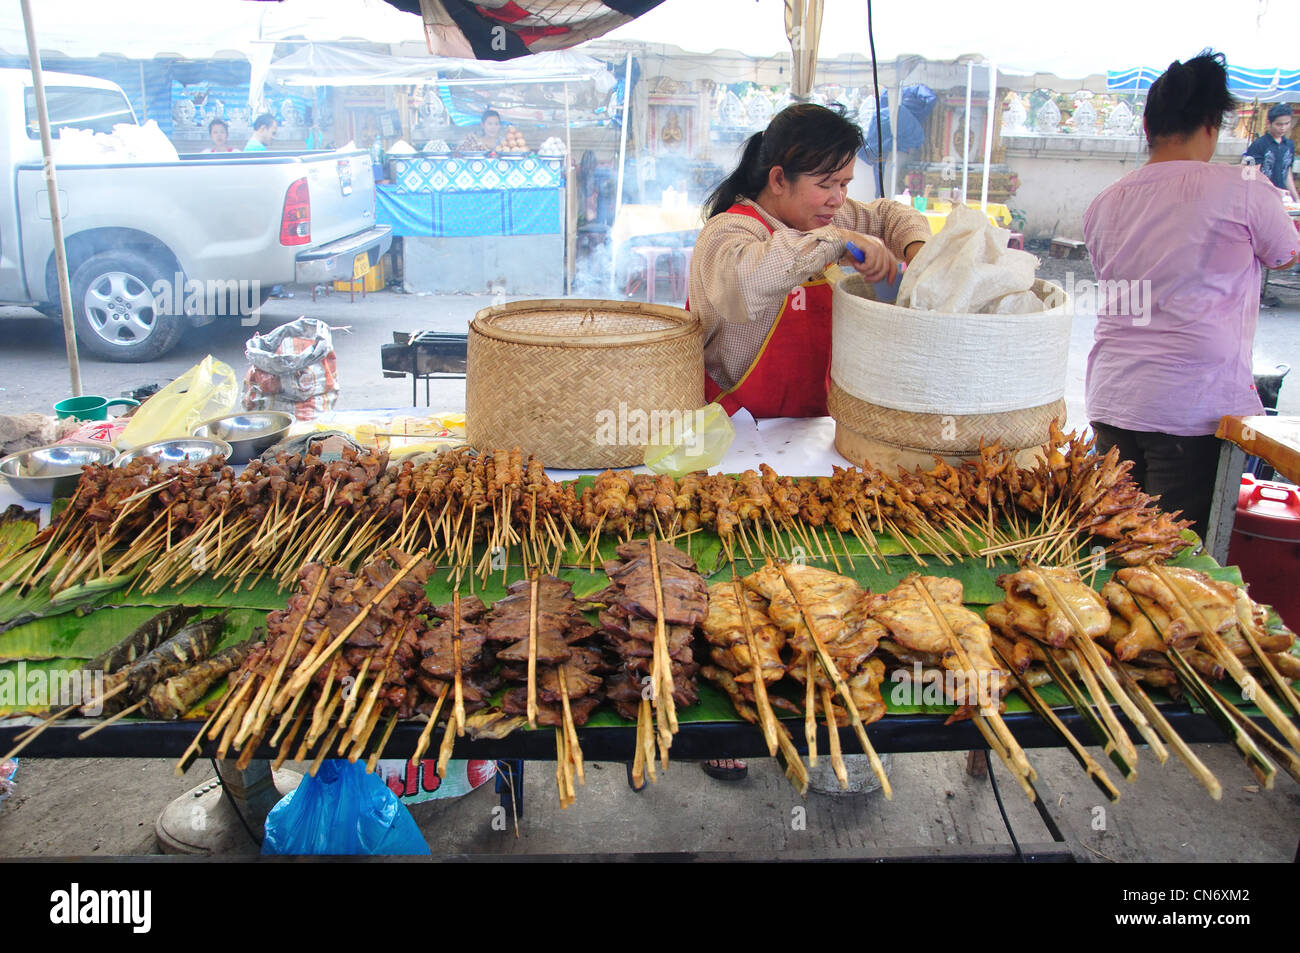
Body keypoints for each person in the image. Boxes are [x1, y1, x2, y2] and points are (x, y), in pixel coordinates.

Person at [1082, 51, 1300, 538]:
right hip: (1190, 409)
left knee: (1114, 545)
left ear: (1147, 125)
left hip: (1114, 397)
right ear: (1211, 123)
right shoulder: (1243, 185)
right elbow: (1286, 254)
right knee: (1173, 562)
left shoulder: (1107, 200)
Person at [687, 103, 931, 421]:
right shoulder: (728, 231)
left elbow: (887, 215)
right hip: (732, 428)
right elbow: (746, 284)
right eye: (825, 184)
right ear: (778, 180)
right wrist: (839, 240)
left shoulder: (820, 217)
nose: (838, 198)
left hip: (811, 425)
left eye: (844, 184)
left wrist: (918, 252)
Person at [1242, 103, 1298, 202]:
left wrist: (1296, 198)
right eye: (1279, 124)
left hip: (1282, 197)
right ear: (1269, 123)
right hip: (1260, 197)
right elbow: (1250, 175)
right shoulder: (1258, 145)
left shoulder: (1289, 145)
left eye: (1287, 123)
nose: (1283, 128)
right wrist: (1274, 189)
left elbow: (1287, 172)